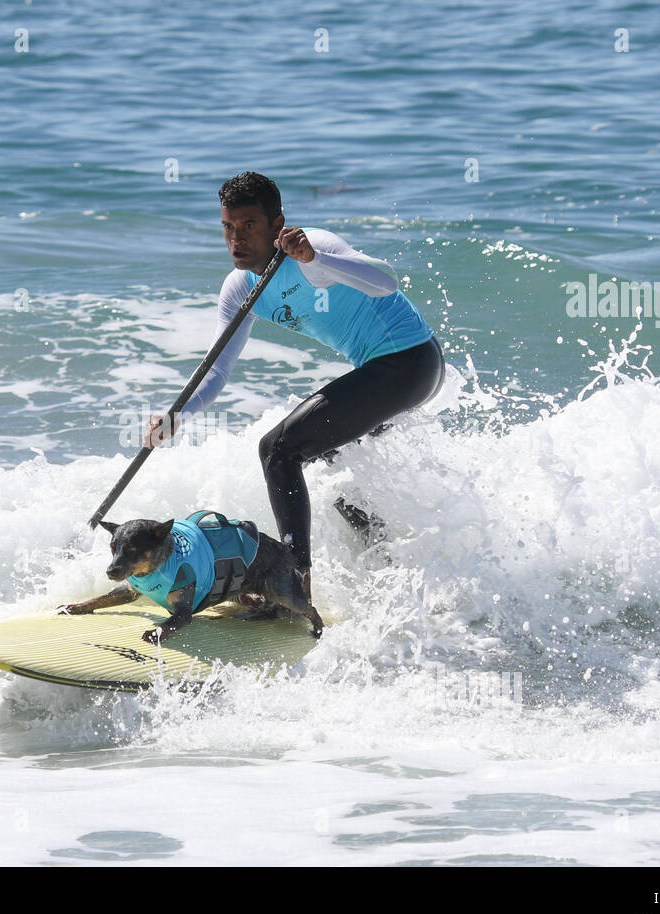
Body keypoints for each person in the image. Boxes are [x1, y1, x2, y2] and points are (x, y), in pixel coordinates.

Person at [143, 171, 445, 600]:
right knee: (330, 464)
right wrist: (179, 414)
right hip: (392, 370)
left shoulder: (315, 250)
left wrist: (315, 260)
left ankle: (294, 580)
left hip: (410, 361)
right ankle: (387, 564)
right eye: (228, 227)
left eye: (249, 226)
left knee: (279, 449)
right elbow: (216, 370)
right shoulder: (241, 288)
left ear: (277, 223)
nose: (237, 239)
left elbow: (386, 281)